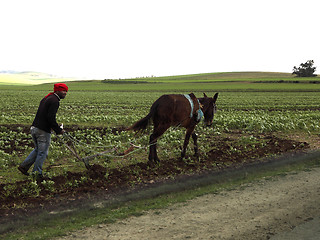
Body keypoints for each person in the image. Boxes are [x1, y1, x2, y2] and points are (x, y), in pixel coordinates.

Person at [18, 83, 68, 178]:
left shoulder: (47, 98)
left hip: (34, 128)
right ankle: (37, 174)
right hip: (42, 130)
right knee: (43, 152)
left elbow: (46, 116)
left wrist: (56, 127)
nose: (65, 93)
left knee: (38, 150)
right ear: (57, 91)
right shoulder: (55, 101)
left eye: (66, 91)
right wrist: (58, 130)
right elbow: (50, 117)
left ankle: (24, 167)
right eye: (63, 91)